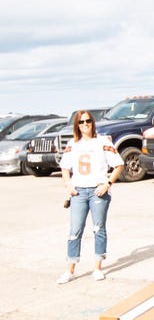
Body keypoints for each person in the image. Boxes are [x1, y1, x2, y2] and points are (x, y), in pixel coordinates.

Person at [57, 111, 123, 284]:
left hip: (97, 191)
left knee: (98, 228)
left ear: (93, 122)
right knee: (75, 231)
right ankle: (70, 270)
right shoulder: (73, 144)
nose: (85, 124)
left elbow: (118, 164)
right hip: (78, 192)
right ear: (77, 125)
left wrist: (107, 184)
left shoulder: (102, 142)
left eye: (88, 121)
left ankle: (97, 268)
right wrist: (68, 184)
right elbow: (65, 167)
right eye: (81, 122)